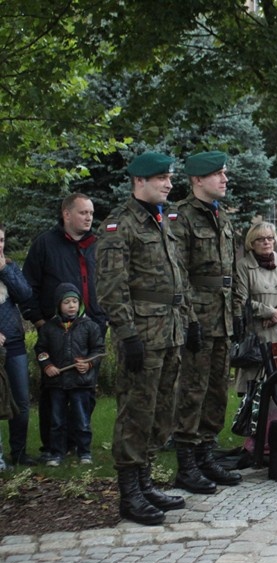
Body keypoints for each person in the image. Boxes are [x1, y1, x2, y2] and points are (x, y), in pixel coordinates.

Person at [96, 151, 192, 526]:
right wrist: (127, 335)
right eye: (161, 178)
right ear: (139, 181)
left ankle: (146, 480)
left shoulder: (160, 221)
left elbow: (175, 278)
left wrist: (188, 321)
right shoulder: (121, 226)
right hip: (142, 334)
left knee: (161, 409)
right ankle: (130, 493)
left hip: (169, 329)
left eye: (169, 178)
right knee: (136, 412)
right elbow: (111, 288)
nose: (169, 184)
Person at [170, 151, 241, 493]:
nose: (225, 179)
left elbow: (232, 271)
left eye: (225, 174)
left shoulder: (222, 216)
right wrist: (189, 319)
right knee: (192, 390)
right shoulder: (181, 217)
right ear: (197, 180)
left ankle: (206, 454)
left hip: (223, 316)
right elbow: (178, 273)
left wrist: (237, 311)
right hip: (198, 316)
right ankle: (186, 463)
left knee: (216, 391)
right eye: (218, 174)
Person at [22, 192, 107, 466]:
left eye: (91, 213)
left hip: (91, 328)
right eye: (83, 212)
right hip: (55, 330)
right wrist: (38, 321)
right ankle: (53, 446)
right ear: (66, 214)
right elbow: (28, 287)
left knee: (86, 385)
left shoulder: (97, 245)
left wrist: (103, 317)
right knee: (54, 390)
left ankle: (77, 442)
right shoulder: (46, 245)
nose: (89, 218)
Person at [232, 221, 277, 457]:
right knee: (258, 391)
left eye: (270, 238)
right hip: (258, 337)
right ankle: (257, 439)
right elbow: (240, 300)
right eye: (261, 239)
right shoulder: (243, 266)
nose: (266, 242)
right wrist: (267, 311)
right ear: (251, 243)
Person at [33, 284, 104, 466]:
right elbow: (40, 350)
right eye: (66, 302)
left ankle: (84, 452)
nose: (71, 305)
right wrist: (47, 365)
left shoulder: (90, 326)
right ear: (58, 305)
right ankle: (57, 453)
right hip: (57, 383)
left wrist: (88, 363)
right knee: (57, 421)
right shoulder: (49, 328)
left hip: (80, 382)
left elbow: (98, 350)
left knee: (81, 420)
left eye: (74, 301)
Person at [0, 223, 33, 466]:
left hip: (13, 344)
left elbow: (24, 295)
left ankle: (19, 452)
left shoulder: (10, 267)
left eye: (1, 240)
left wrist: (4, 270)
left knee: (21, 400)